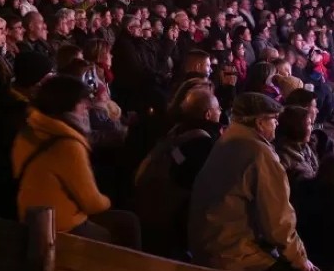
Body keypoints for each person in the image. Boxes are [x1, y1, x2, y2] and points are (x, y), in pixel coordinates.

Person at [188, 92, 316, 271]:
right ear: (260, 123)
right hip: (235, 255)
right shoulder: (260, 154)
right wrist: (300, 259)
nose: (277, 123)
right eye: (273, 119)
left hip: (206, 247)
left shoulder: (226, 140)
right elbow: (278, 222)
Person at [11, 76, 140, 248]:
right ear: (67, 106)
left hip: (30, 218)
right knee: (127, 224)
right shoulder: (67, 144)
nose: (87, 107)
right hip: (60, 226)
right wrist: (109, 201)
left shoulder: (31, 130)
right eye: (82, 103)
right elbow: (92, 203)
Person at [135, 84, 222, 259]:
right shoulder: (203, 141)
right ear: (208, 114)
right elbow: (198, 181)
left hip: (158, 202)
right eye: (218, 108)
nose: (220, 112)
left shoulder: (177, 129)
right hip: (179, 212)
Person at [274, 105, 318, 184]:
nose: (311, 128)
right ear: (297, 127)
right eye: (308, 124)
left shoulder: (305, 146)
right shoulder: (283, 157)